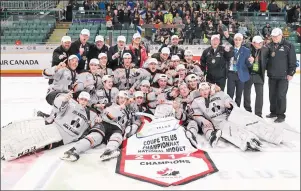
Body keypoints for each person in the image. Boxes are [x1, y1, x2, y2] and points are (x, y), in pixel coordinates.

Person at [1, 91, 100, 161]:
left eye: (86, 100)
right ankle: (7, 149)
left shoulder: (90, 114)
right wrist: (65, 101)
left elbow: (95, 124)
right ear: (78, 99)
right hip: (55, 128)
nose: (83, 101)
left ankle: (10, 152)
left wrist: (98, 120)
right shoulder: (71, 104)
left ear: (88, 102)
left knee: (35, 143)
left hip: (65, 138)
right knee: (32, 137)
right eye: (82, 99)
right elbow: (59, 110)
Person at [191, 82, 282, 151]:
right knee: (232, 129)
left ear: (210, 89)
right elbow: (196, 114)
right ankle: (248, 140)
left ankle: (267, 132)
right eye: (202, 90)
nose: (204, 91)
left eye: (206, 89)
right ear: (199, 91)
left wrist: (230, 105)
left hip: (230, 114)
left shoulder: (219, 93)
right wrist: (203, 120)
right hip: (219, 121)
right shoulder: (197, 101)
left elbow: (231, 102)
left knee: (246, 120)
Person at [61, 91, 131, 162]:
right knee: (96, 136)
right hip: (104, 123)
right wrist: (118, 108)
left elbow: (129, 124)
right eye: (121, 98)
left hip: (117, 128)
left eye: (125, 99)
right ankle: (73, 151)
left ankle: (109, 151)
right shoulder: (110, 104)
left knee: (117, 136)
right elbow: (109, 116)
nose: (123, 100)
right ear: (117, 98)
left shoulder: (128, 112)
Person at [264, 28, 297, 123]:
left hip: (283, 76)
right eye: (273, 36)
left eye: (276, 36)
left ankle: (281, 115)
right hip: (272, 75)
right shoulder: (269, 45)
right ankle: (273, 112)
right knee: (272, 95)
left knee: (281, 95)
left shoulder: (289, 45)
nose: (274, 38)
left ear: (281, 35)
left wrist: (291, 73)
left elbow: (293, 61)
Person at [243, 36, 268, 118]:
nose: (260, 44)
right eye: (258, 42)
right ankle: (247, 111)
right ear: (253, 43)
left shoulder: (265, 50)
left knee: (260, 95)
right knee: (247, 93)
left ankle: (258, 113)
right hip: (249, 74)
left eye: (261, 42)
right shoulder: (247, 50)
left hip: (259, 75)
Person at [227, 33, 252, 107]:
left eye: (239, 40)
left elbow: (248, 64)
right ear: (234, 40)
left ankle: (237, 109)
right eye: (236, 40)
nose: (237, 41)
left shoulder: (246, 50)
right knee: (229, 94)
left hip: (241, 74)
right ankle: (229, 109)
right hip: (231, 74)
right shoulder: (229, 49)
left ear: (242, 41)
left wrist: (251, 62)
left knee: (239, 94)